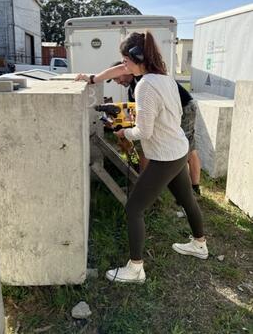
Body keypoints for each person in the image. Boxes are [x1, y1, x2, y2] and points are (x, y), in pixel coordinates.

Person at [76, 31, 208, 284]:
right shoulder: (164, 77)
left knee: (134, 208)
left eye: (125, 61)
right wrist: (92, 78)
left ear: (137, 58)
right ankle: (200, 244)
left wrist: (122, 130)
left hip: (165, 156)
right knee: (187, 199)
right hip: (179, 149)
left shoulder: (145, 86)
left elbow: (143, 132)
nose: (122, 66)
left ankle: (136, 269)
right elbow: (162, 115)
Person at [108, 64, 201, 194]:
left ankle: (194, 187)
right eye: (114, 81)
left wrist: (129, 132)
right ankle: (155, 183)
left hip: (184, 106)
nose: (117, 82)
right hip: (167, 111)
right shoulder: (132, 90)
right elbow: (136, 115)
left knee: (188, 148)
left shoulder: (143, 78)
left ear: (126, 70)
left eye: (117, 78)